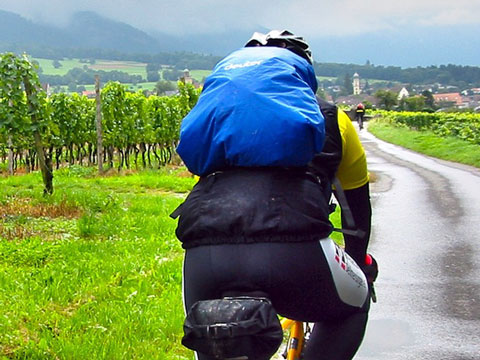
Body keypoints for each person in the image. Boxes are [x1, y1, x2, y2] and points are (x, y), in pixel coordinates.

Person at [173, 30, 377, 360]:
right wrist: (360, 262)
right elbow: (357, 215)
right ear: (301, 72)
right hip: (296, 254)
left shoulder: (218, 123)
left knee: (210, 335)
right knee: (354, 304)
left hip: (206, 258)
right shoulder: (332, 120)